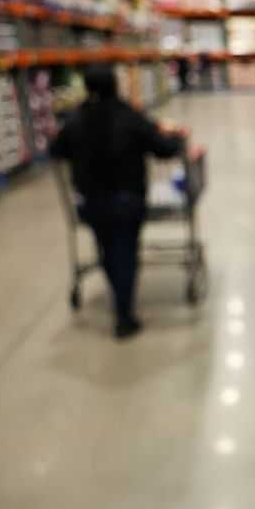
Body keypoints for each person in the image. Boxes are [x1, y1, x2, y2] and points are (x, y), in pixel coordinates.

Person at [51, 65, 189, 339]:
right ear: (115, 85)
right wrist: (178, 140)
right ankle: (124, 316)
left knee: (107, 250)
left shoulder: (76, 120)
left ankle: (119, 297)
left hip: (91, 202)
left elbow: (56, 150)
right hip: (127, 201)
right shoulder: (128, 116)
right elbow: (162, 148)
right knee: (125, 252)